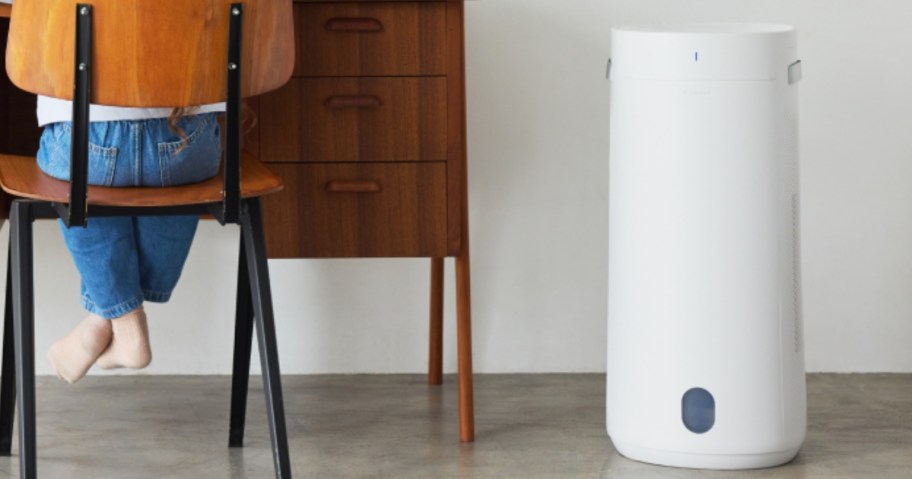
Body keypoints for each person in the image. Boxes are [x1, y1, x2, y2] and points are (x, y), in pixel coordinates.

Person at [35, 95, 224, 383]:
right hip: (187, 143)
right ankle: (112, 320)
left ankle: (121, 321)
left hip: (89, 142)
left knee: (79, 179)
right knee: (176, 179)